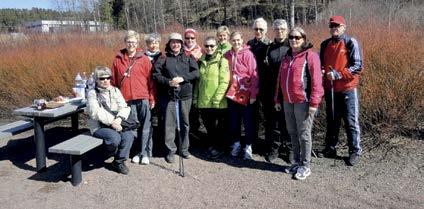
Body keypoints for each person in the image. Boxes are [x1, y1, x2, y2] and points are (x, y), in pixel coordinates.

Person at [274, 27, 324, 180]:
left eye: (297, 37)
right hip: (288, 101)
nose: (293, 40)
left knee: (304, 134)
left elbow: (317, 81)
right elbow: (279, 80)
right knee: (292, 132)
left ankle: (306, 165)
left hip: (304, 101)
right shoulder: (286, 57)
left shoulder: (311, 56)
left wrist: (314, 102)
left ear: (304, 39)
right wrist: (277, 98)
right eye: (291, 37)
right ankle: (296, 162)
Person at [319, 16, 363, 166]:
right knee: (332, 120)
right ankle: (330, 148)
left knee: (351, 121)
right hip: (330, 89)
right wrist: (322, 72)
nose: (334, 28)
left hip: (347, 89)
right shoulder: (325, 44)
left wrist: (337, 74)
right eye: (332, 26)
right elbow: (321, 65)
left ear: (344, 27)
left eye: (337, 25)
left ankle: (355, 151)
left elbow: (357, 66)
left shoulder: (351, 42)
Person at [111, 30, 156, 165]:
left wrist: (152, 98)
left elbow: (151, 81)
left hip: (143, 97)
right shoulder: (117, 60)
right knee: (132, 127)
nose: (131, 44)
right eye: (129, 41)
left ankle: (146, 153)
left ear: (137, 43)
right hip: (126, 100)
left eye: (134, 42)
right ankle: (137, 152)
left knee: (146, 127)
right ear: (125, 42)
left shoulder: (144, 59)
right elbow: (113, 81)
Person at [153, 32, 199, 163]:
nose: (175, 44)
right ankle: (170, 151)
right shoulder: (163, 58)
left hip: (185, 96)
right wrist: (168, 82)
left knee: (185, 123)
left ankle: (184, 149)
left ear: (181, 44)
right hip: (169, 97)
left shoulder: (188, 57)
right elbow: (156, 75)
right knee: (169, 124)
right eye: (173, 42)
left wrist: (183, 78)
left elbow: (196, 73)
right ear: (169, 44)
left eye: (178, 42)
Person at [87, 66, 134, 175]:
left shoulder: (115, 90)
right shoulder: (92, 93)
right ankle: (105, 153)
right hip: (99, 126)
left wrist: (119, 119)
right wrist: (113, 122)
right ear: (96, 79)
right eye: (102, 79)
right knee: (114, 138)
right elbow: (95, 111)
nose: (105, 81)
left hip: (116, 123)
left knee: (128, 136)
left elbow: (124, 107)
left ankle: (119, 162)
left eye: (108, 78)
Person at [193, 36, 230, 159]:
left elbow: (224, 81)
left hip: (217, 102)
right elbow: (199, 81)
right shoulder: (201, 60)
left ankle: (219, 148)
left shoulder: (222, 61)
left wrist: (217, 98)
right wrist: (195, 97)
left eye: (212, 46)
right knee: (209, 127)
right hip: (204, 101)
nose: (209, 48)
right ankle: (212, 147)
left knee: (219, 128)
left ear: (216, 46)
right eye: (207, 46)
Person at [225, 31, 259, 160]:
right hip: (232, 93)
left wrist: (253, 94)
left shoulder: (248, 55)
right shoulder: (227, 55)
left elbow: (254, 75)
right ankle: (236, 143)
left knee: (247, 121)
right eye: (233, 40)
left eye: (238, 40)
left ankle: (248, 145)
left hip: (245, 92)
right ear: (230, 41)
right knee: (234, 120)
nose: (236, 43)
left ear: (242, 40)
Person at [263, 19, 291, 163]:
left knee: (289, 122)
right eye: (277, 29)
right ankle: (274, 148)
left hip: (288, 90)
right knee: (274, 122)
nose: (280, 31)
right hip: (272, 91)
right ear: (273, 30)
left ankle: (290, 149)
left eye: (282, 29)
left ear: (287, 29)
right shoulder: (269, 48)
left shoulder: (292, 45)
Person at [247, 17, 272, 153]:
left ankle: (268, 145)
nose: (258, 31)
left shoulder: (270, 44)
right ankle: (253, 143)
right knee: (252, 115)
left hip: (266, 85)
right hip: (252, 86)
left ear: (266, 30)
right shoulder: (249, 44)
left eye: (261, 29)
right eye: (256, 29)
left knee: (268, 116)